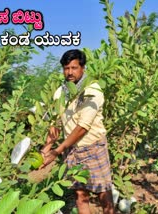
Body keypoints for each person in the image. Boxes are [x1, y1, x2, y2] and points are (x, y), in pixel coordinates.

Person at [40, 49, 115, 214]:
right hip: (71, 149)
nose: (69, 72)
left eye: (74, 68)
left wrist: (57, 151)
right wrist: (47, 147)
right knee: (80, 194)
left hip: (93, 147)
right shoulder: (61, 92)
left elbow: (82, 127)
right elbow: (56, 123)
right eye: (66, 68)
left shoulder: (92, 92)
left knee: (102, 191)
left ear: (83, 68)